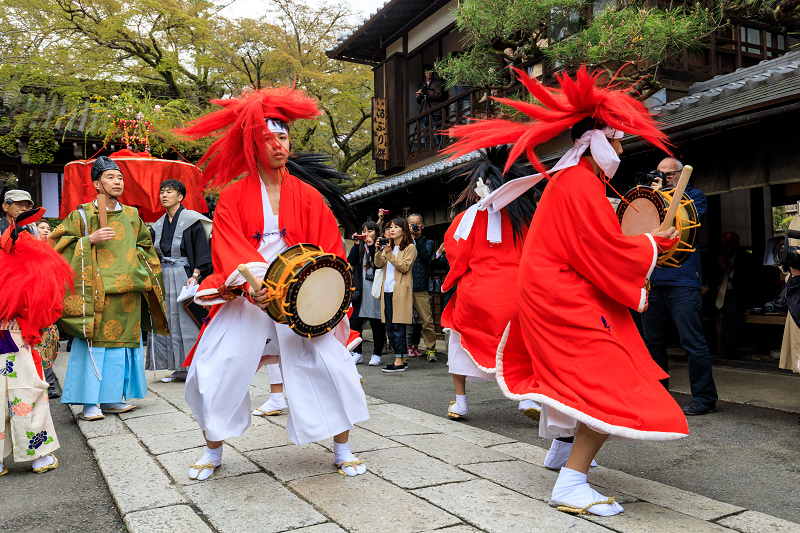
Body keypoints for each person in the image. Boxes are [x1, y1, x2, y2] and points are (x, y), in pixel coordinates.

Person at [444, 66, 689, 516]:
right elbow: (604, 249)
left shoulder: (571, 181)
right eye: (615, 141)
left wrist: (643, 243)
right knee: (613, 382)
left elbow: (594, 247)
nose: (619, 149)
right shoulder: (577, 183)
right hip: (563, 299)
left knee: (579, 379)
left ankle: (562, 453)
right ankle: (571, 483)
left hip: (551, 295)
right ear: (594, 141)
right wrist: (653, 242)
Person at [174, 85, 369, 481]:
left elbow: (329, 249)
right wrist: (252, 286)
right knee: (217, 367)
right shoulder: (230, 198)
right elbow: (227, 246)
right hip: (250, 294)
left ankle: (343, 447)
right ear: (252, 146)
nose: (279, 145)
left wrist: (318, 295)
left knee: (333, 367)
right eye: (269, 138)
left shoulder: (310, 196)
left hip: (301, 297)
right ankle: (213, 451)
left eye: (283, 137)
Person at [49, 156, 169, 421]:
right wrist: (87, 240)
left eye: (120, 178)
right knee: (95, 346)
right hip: (96, 291)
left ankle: (113, 399)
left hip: (127, 293)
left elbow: (146, 249)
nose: (117, 182)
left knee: (121, 348)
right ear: (96, 183)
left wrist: (136, 270)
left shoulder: (132, 215)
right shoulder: (81, 214)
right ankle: (90, 403)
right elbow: (55, 244)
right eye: (110, 177)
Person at [440, 147, 541, 421]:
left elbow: (456, 257)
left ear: (478, 188)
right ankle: (526, 397)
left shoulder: (466, 219)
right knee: (522, 347)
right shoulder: (526, 218)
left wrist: (451, 282)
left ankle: (460, 402)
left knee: (458, 340)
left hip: (477, 294)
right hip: (517, 295)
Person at [640, 157, 718, 416]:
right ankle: (658, 394)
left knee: (692, 341)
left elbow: (676, 223)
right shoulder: (652, 195)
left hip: (683, 279)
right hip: (654, 279)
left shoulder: (695, 196)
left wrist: (663, 192)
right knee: (653, 343)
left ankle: (704, 398)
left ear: (679, 174)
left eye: (669, 174)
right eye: (660, 174)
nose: (664, 178)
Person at [1, 206, 74, 476]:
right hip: (22, 337)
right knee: (27, 392)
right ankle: (39, 456)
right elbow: (51, 310)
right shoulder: (40, 267)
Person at [147, 179, 212, 382]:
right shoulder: (157, 226)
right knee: (167, 321)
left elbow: (203, 251)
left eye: (169, 192)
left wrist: (195, 275)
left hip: (186, 276)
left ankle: (193, 364)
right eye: (162, 192)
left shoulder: (192, 221)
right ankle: (177, 367)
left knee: (187, 320)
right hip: (163, 276)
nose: (164, 195)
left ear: (180, 197)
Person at [374, 217, 417, 373]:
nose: (391, 229)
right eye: (390, 227)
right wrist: (380, 250)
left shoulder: (410, 248)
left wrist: (389, 254)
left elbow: (404, 267)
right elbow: (378, 264)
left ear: (403, 231)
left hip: (400, 291)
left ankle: (399, 361)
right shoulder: (388, 247)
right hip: (387, 290)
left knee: (398, 326)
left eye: (395, 227)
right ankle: (402, 358)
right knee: (390, 327)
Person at [710, 231, 760, 359]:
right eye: (721, 245)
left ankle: (729, 347)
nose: (723, 248)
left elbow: (747, 285)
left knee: (731, 305)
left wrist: (729, 271)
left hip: (739, 294)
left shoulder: (746, 259)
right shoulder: (714, 259)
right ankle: (704, 344)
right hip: (717, 295)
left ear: (736, 245)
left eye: (727, 245)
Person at [348, 220, 386, 366]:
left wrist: (372, 246)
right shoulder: (359, 247)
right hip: (360, 289)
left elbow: (378, 264)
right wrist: (356, 244)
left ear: (376, 232)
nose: (366, 234)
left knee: (377, 323)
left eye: (369, 231)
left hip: (375, 290)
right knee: (355, 322)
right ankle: (357, 353)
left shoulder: (381, 246)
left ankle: (377, 354)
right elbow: (350, 260)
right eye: (363, 231)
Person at [407, 213, 438, 361]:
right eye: (411, 223)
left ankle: (430, 348)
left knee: (427, 320)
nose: (414, 226)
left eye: (417, 223)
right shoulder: (402, 243)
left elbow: (425, 257)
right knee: (400, 320)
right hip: (404, 287)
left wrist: (418, 238)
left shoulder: (428, 242)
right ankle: (402, 349)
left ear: (422, 225)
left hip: (420, 288)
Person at [415, 64, 447, 149]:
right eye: (426, 72)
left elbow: (438, 95)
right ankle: (428, 149)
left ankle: (439, 148)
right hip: (424, 111)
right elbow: (419, 102)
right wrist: (418, 96)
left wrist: (426, 93)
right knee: (426, 132)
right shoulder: (422, 85)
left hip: (435, 110)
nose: (428, 74)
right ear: (424, 73)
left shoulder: (438, 82)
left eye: (430, 71)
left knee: (436, 131)